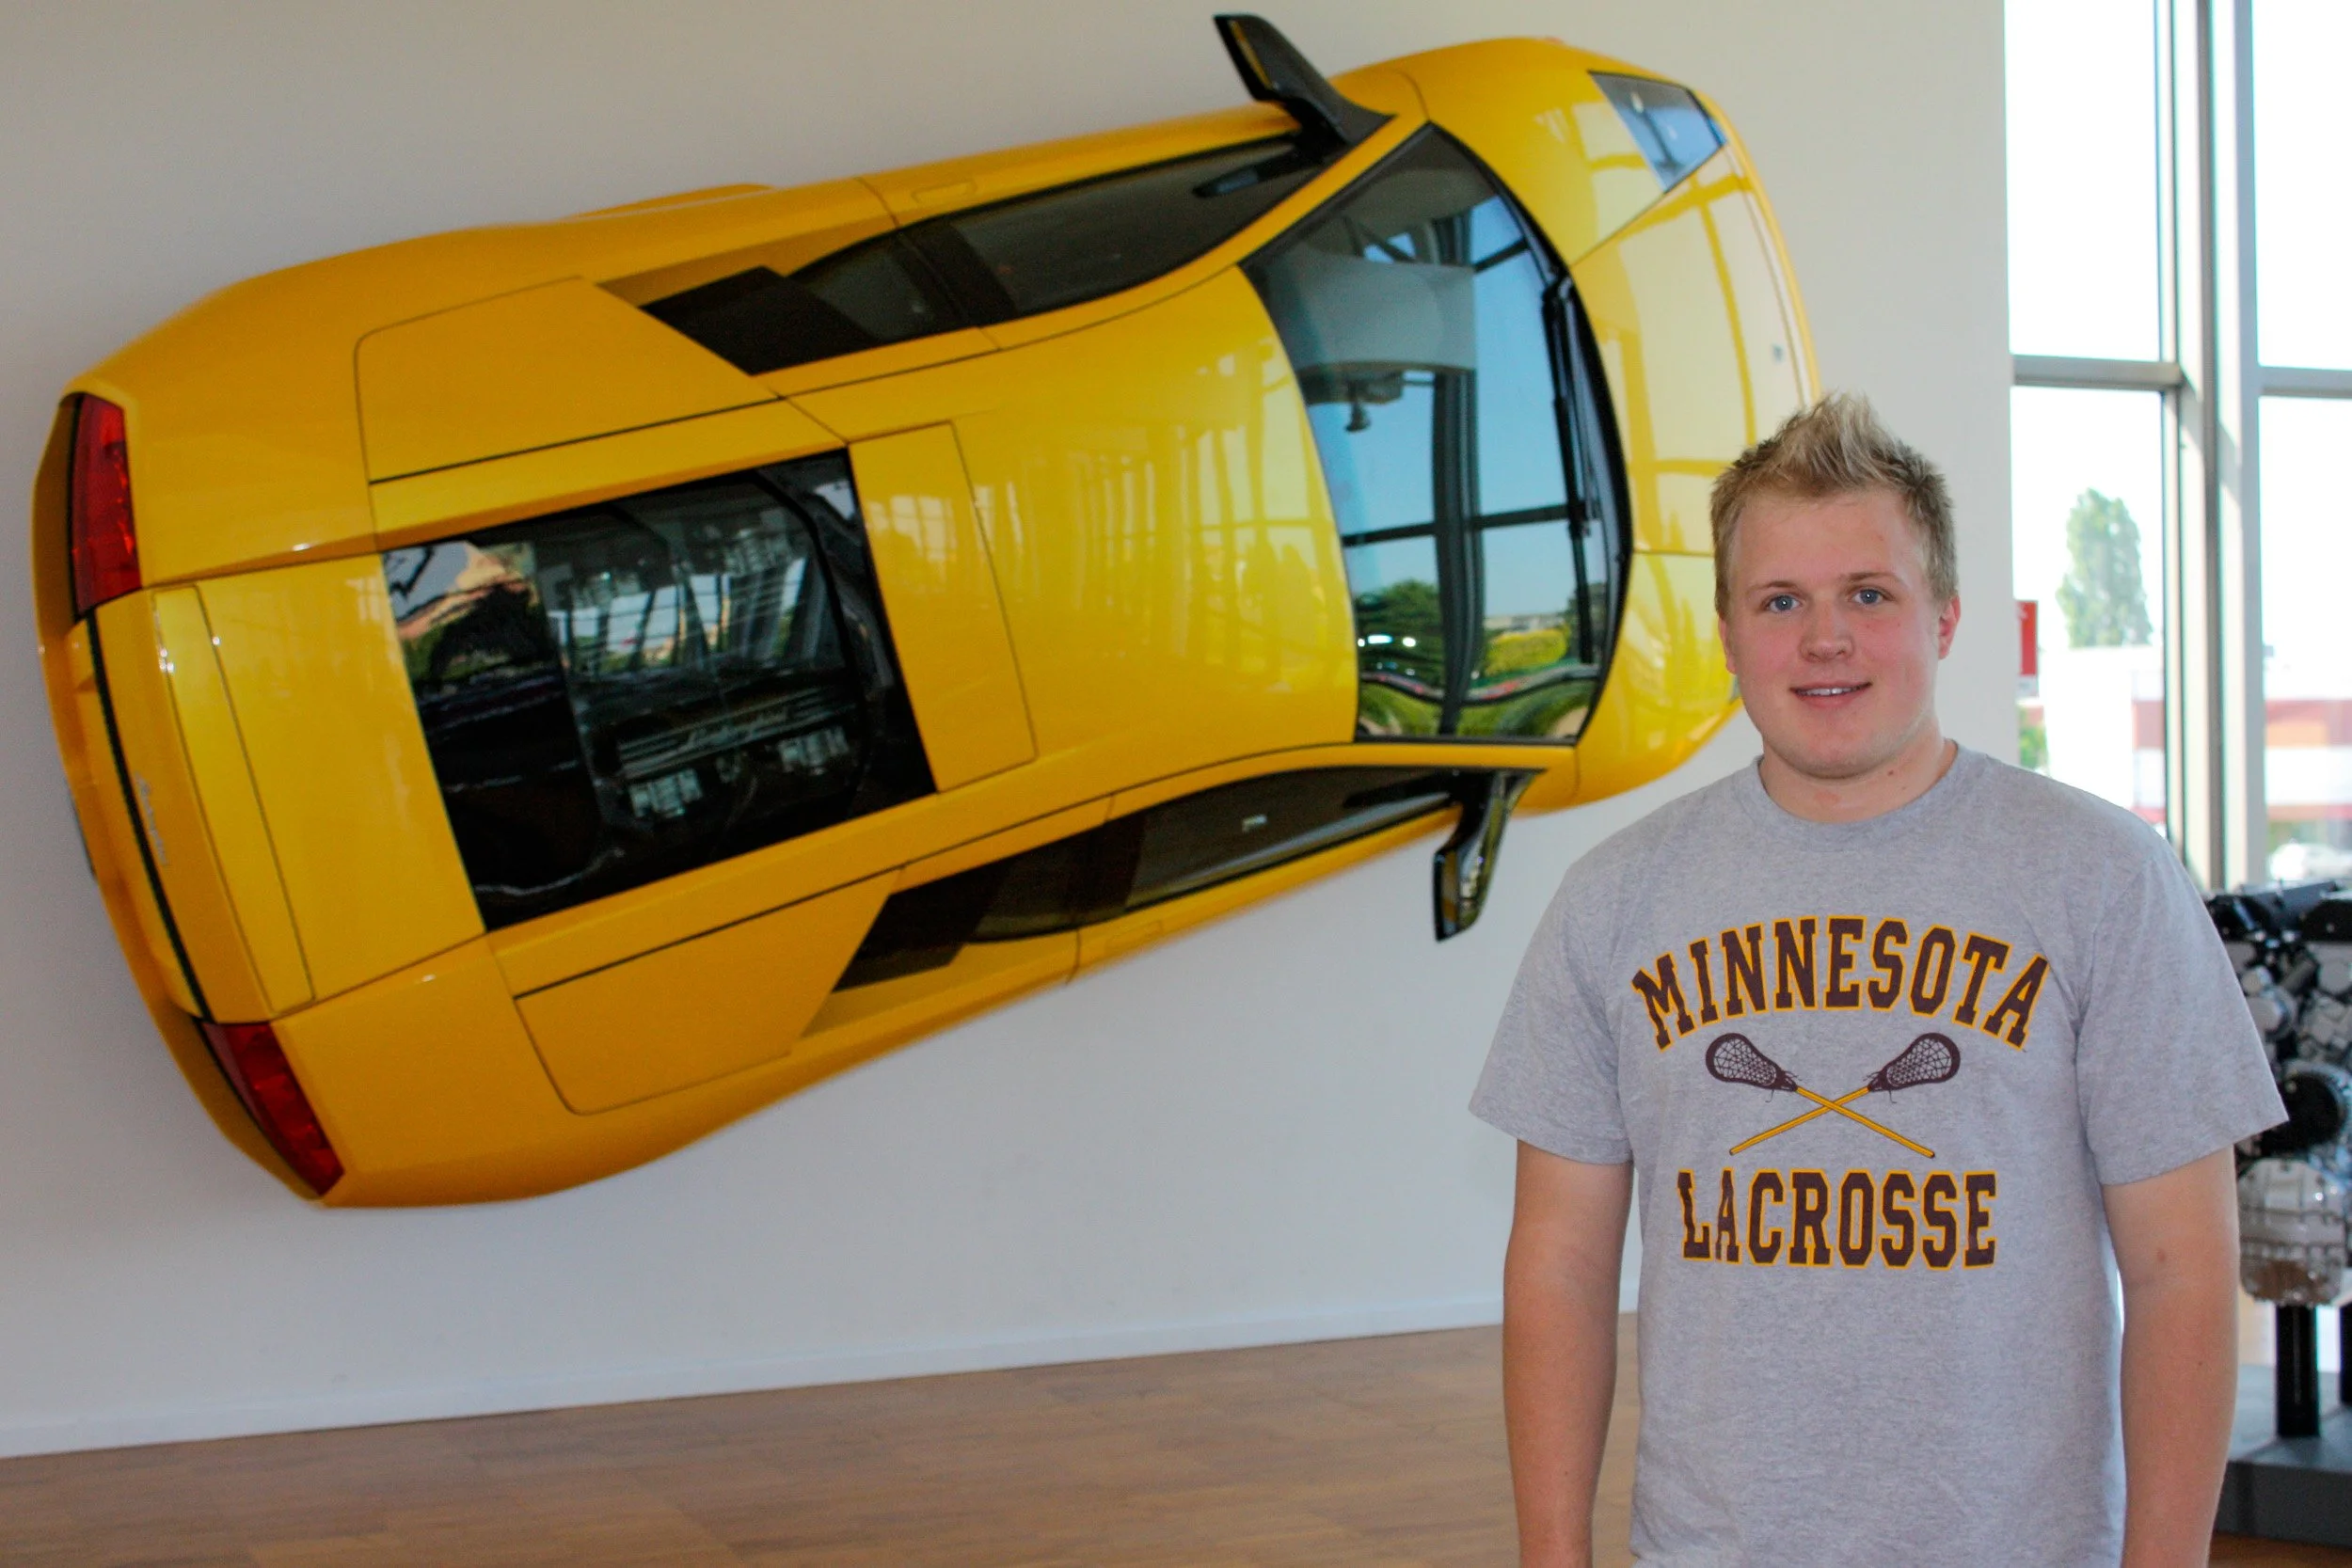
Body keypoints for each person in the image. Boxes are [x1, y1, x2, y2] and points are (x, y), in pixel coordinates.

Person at [1470, 394, 2284, 1568]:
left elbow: (2181, 1271)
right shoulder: (1614, 899)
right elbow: (1559, 1263)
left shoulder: (2104, 876)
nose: (1825, 639)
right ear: (1726, 631)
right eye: (1779, 600)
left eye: (1867, 594)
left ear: (1944, 616)